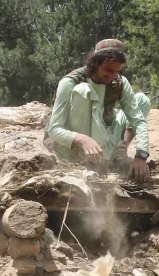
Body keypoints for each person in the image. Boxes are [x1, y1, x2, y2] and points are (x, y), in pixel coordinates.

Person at [45, 38, 152, 183]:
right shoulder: (70, 82)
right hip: (76, 147)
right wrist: (82, 139)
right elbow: (54, 129)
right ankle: (86, 161)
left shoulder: (118, 81)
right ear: (95, 62)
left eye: (116, 71)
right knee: (82, 91)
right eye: (108, 70)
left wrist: (141, 156)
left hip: (105, 136)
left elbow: (138, 120)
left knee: (141, 100)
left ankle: (118, 153)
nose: (112, 76)